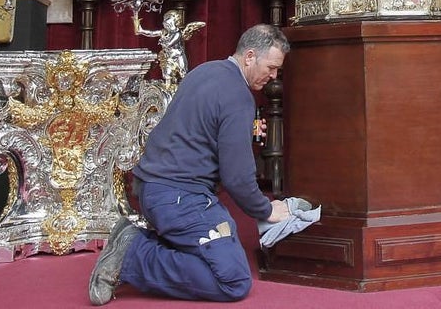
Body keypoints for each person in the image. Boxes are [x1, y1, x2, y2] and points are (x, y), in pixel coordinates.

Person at [88, 23, 293, 305]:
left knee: (225, 236)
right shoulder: (238, 96)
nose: (273, 76)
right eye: (270, 67)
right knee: (233, 280)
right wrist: (267, 209)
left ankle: (142, 240)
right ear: (249, 56)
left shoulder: (204, 71)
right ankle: (133, 254)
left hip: (150, 191)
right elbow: (237, 178)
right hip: (180, 200)